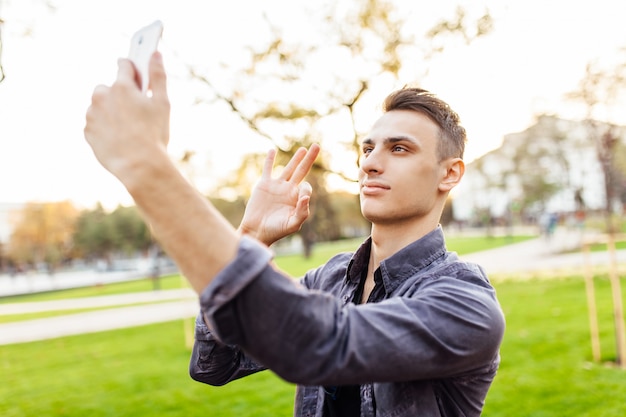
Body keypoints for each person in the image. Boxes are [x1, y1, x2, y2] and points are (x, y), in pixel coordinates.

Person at [84, 52, 505, 417]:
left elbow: (317, 342)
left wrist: (147, 168)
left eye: (399, 149)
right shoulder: (331, 278)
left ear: (449, 174)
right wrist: (250, 236)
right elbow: (214, 363)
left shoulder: (465, 303)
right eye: (368, 148)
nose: (371, 164)